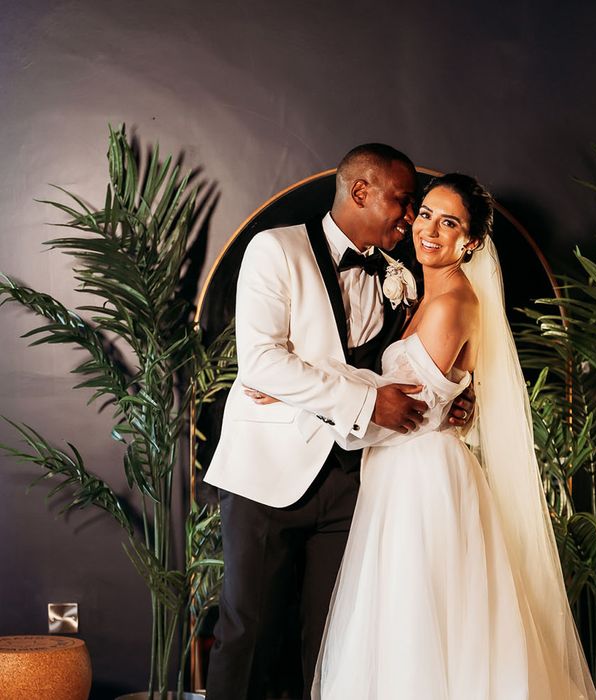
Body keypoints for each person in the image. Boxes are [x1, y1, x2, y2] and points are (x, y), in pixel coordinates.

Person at [307, 174, 596, 699]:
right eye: (424, 215)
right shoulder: (421, 296)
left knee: (421, 623)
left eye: (449, 222)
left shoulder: (451, 305)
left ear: (472, 242)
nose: (430, 230)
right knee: (402, 619)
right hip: (400, 476)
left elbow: (408, 412)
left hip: (423, 480)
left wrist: (306, 402)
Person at [203, 145, 475, 700]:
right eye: (403, 202)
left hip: (356, 478)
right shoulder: (275, 250)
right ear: (361, 192)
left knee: (335, 638)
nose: (410, 217)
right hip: (266, 474)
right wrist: (369, 402)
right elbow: (262, 362)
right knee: (249, 631)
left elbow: (401, 365)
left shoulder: (400, 276)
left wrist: (450, 397)